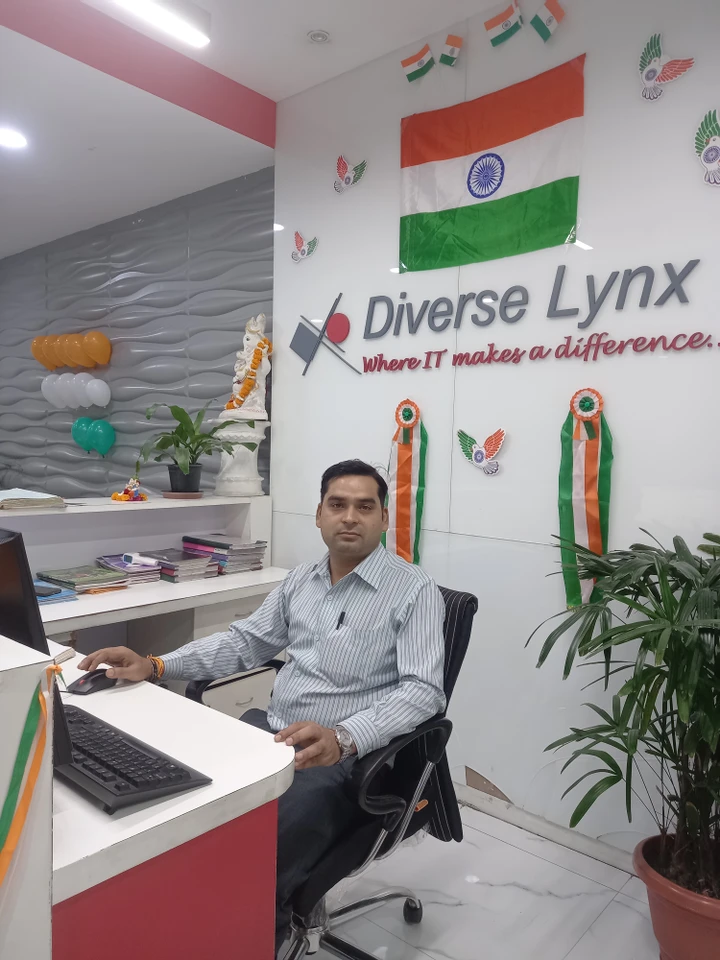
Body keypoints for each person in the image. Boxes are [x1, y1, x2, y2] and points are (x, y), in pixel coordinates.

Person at [79, 459, 446, 956]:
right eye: (337, 505)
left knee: (255, 859)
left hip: (344, 759)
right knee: (180, 810)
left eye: (365, 507)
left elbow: (423, 691)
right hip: (269, 733)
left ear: (384, 518)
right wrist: (157, 664)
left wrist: (343, 738)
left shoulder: (414, 590)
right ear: (319, 515)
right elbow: (246, 642)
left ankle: (254, 934)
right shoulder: (302, 580)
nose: (349, 517)